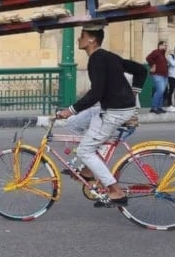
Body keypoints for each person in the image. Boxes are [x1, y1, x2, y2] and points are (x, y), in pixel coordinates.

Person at [56, 24, 147, 206]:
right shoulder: (107, 56)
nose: (78, 39)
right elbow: (141, 70)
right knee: (74, 124)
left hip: (115, 112)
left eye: (82, 35)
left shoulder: (97, 59)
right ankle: (90, 169)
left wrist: (70, 110)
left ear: (91, 39)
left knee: (84, 150)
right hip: (113, 108)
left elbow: (95, 93)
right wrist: (133, 93)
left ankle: (115, 191)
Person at [146, 41, 168, 114]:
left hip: (164, 76)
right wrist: (153, 65)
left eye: (166, 45)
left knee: (161, 91)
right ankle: (153, 107)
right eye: (165, 45)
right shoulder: (156, 52)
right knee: (160, 90)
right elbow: (148, 58)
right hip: (157, 75)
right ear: (160, 46)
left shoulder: (162, 54)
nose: (166, 47)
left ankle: (159, 107)